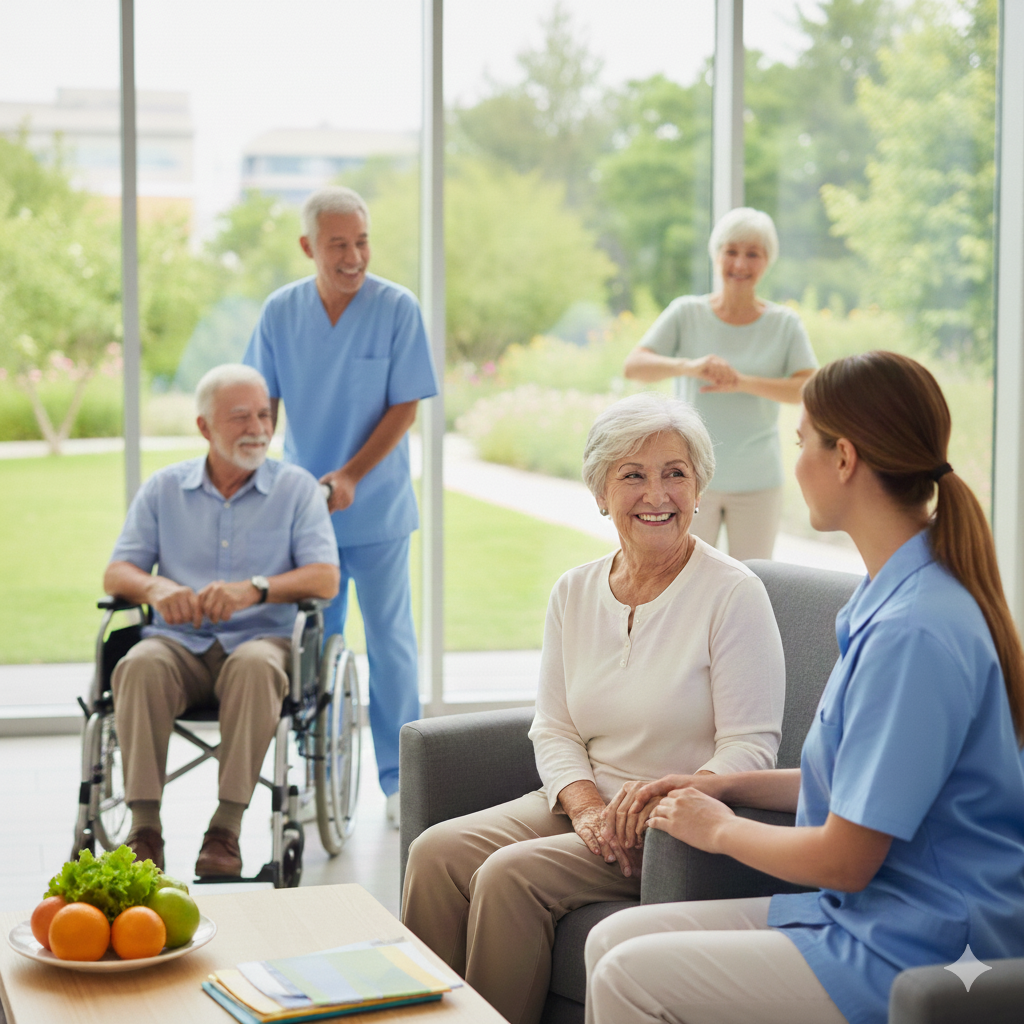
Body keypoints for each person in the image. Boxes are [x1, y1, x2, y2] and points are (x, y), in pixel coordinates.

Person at [585, 352, 1024, 1024]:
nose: (797, 465)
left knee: (627, 978)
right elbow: (859, 784)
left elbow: (846, 858)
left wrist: (722, 830)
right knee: (610, 938)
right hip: (870, 913)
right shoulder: (891, 596)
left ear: (843, 458)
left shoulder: (915, 633)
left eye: (802, 444)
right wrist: (721, 786)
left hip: (920, 941)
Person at [402, 391, 786, 1024]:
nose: (656, 494)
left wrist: (658, 811)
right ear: (601, 493)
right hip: (581, 804)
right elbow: (553, 725)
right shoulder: (575, 590)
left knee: (508, 878)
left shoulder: (732, 594)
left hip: (662, 826)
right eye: (633, 475)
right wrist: (583, 807)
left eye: (675, 474)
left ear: (699, 488)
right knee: (435, 853)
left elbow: (749, 747)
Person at [243, 185, 438, 828]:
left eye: (362, 241)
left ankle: (399, 781)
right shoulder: (281, 312)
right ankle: (320, 769)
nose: (354, 256)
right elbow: (261, 407)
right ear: (308, 247)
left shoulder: (396, 308)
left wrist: (353, 474)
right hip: (308, 517)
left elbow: (405, 405)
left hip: (376, 508)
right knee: (312, 647)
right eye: (338, 245)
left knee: (390, 643)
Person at [104, 364, 339, 877]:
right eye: (240, 417)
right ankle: (144, 829)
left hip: (262, 641)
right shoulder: (165, 489)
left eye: (263, 414)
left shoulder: (296, 490)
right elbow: (117, 572)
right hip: (177, 647)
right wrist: (156, 587)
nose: (258, 427)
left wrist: (256, 589)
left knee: (256, 666)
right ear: (205, 428)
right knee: (138, 663)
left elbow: (326, 578)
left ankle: (224, 832)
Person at [623, 207, 818, 561]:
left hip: (758, 479)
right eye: (731, 251)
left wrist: (740, 381)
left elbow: (808, 388)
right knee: (683, 578)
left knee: (757, 581)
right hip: (689, 478)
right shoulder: (686, 313)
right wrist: (691, 366)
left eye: (752, 254)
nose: (740, 264)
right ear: (716, 256)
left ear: (767, 262)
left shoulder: (785, 324)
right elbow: (635, 366)